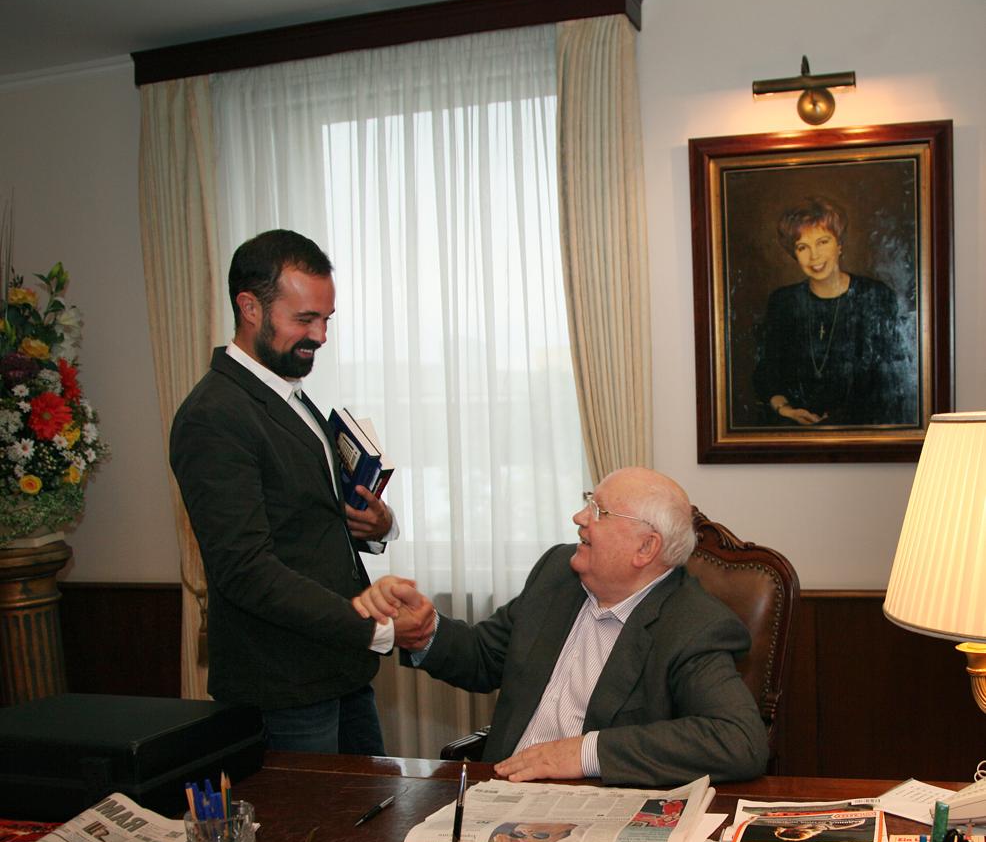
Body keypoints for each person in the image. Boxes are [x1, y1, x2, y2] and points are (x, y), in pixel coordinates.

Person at [354, 467, 769, 787]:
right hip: (500, 792)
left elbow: (738, 740)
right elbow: (484, 656)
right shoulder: (558, 574)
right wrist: (425, 631)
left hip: (596, 812)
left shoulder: (693, 624)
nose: (579, 517)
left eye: (599, 511)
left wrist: (585, 753)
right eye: (588, 502)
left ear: (646, 548)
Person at [170, 229, 398, 755]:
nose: (320, 335)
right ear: (249, 307)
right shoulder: (215, 415)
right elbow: (245, 569)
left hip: (334, 668)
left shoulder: (287, 395)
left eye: (326, 320)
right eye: (304, 319)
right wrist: (372, 627)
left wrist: (376, 527)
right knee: (304, 835)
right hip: (281, 682)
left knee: (366, 827)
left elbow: (305, 518)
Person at [753, 196, 913, 427]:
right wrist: (786, 410)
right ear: (793, 253)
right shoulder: (783, 302)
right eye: (802, 247)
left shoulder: (876, 296)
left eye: (822, 242)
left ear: (839, 245)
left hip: (864, 436)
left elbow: (893, 381)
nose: (814, 256)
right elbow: (766, 372)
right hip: (796, 435)